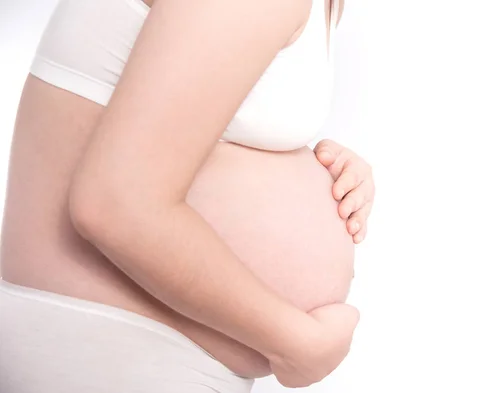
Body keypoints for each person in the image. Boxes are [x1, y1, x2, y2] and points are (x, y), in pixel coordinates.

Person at [0, 0, 375, 392]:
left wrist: (320, 170)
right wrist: (296, 343)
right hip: (111, 351)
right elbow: (116, 205)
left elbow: (198, 121)